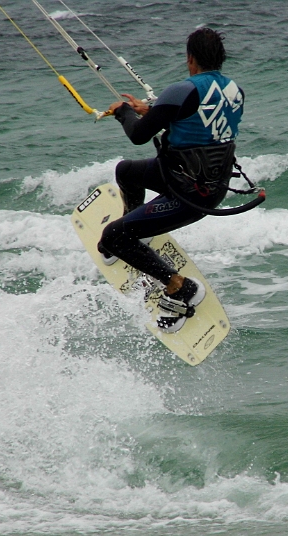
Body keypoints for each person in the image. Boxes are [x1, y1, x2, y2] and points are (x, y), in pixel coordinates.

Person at [98, 27, 244, 333]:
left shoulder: (181, 90)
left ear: (190, 58)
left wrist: (124, 111)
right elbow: (198, 120)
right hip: (199, 181)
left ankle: (181, 289)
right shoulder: (234, 91)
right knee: (126, 171)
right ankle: (136, 230)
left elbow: (139, 135)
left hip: (189, 195)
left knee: (111, 239)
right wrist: (149, 109)